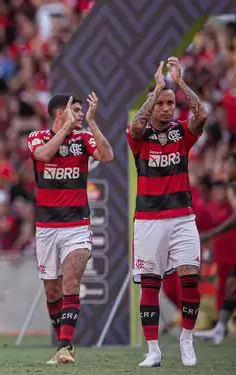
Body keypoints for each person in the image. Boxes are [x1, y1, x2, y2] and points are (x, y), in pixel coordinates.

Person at [128, 57, 208, 368]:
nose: (165, 107)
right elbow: (136, 126)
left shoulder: (182, 133)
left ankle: (187, 340)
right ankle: (153, 351)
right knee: (150, 284)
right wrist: (158, 87)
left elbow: (202, 114)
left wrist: (181, 83)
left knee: (190, 278)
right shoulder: (139, 134)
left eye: (169, 102)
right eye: (160, 102)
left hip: (182, 217)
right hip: (148, 220)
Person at [27, 91, 114, 365]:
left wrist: (92, 122)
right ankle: (65, 343)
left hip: (77, 224)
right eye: (74, 110)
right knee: (52, 292)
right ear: (59, 114)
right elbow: (43, 155)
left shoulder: (83, 138)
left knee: (71, 281)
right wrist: (64, 128)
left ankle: (64, 346)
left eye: (80, 111)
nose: (79, 114)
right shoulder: (36, 137)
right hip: (46, 227)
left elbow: (108, 155)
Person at [195, 155, 236, 345]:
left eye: (229, 166)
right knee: (230, 286)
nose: (227, 169)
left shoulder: (231, 190)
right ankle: (219, 329)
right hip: (224, 253)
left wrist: (210, 234)